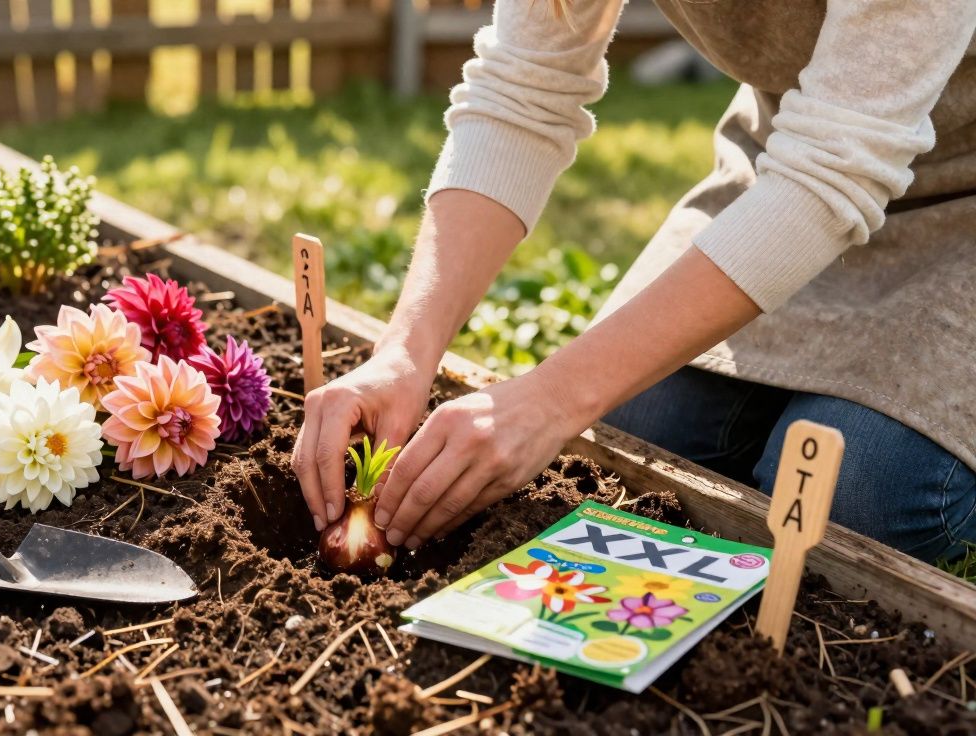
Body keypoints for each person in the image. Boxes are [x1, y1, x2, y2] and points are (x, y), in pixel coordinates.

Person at [292, 0, 976, 562]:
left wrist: (550, 400)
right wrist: (406, 352)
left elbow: (838, 170)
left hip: (951, 211)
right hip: (784, 170)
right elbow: (523, 89)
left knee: (857, 500)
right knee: (635, 435)